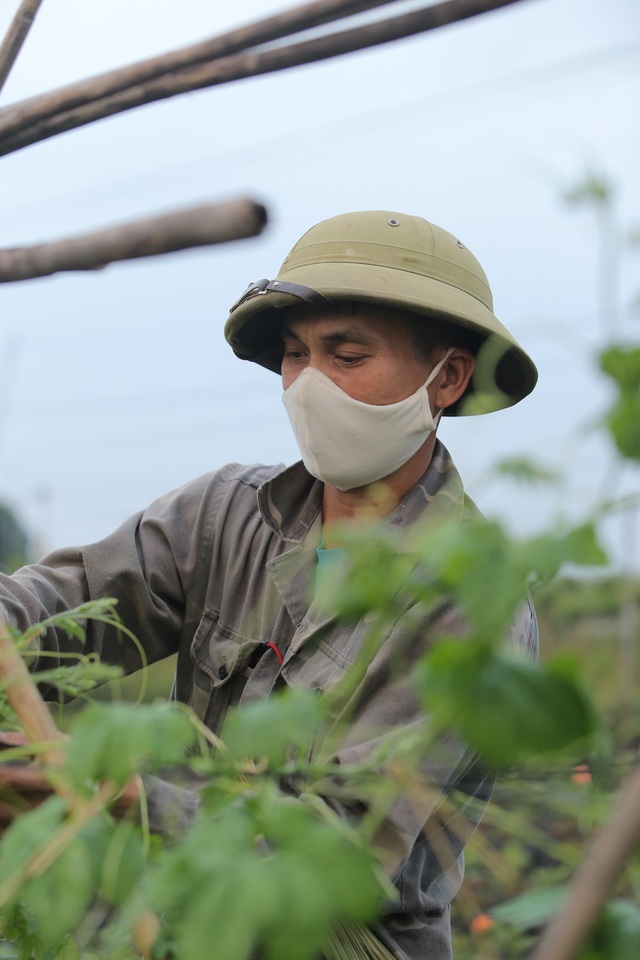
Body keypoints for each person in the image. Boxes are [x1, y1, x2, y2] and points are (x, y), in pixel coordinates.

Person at [0, 210, 538, 959]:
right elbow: (61, 609)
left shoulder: (467, 601)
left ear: (445, 377)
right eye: (295, 356)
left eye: (346, 356)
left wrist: (112, 796)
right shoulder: (225, 516)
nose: (309, 386)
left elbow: (331, 859)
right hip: (177, 920)